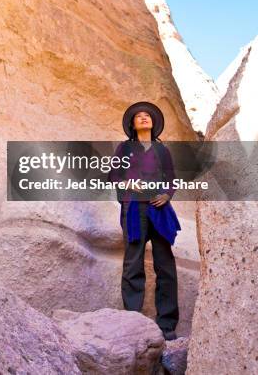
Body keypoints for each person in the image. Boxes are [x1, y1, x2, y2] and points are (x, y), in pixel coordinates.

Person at [108, 101, 181, 341]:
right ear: (132, 124)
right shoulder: (125, 148)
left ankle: (167, 325)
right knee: (133, 261)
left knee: (165, 264)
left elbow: (171, 178)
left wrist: (166, 195)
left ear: (153, 122)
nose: (143, 118)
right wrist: (129, 184)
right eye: (138, 116)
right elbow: (114, 175)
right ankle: (132, 318)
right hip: (133, 208)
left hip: (158, 209)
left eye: (147, 115)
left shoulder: (163, 151)